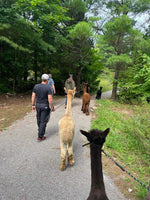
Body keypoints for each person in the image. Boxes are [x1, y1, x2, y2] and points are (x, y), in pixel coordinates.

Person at [31, 74, 55, 141]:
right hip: (45, 106)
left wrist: (33, 104)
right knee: (43, 120)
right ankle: (40, 136)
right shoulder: (48, 87)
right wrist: (52, 107)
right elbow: (50, 99)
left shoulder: (36, 86)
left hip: (38, 105)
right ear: (47, 80)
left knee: (39, 119)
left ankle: (40, 130)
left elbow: (33, 96)